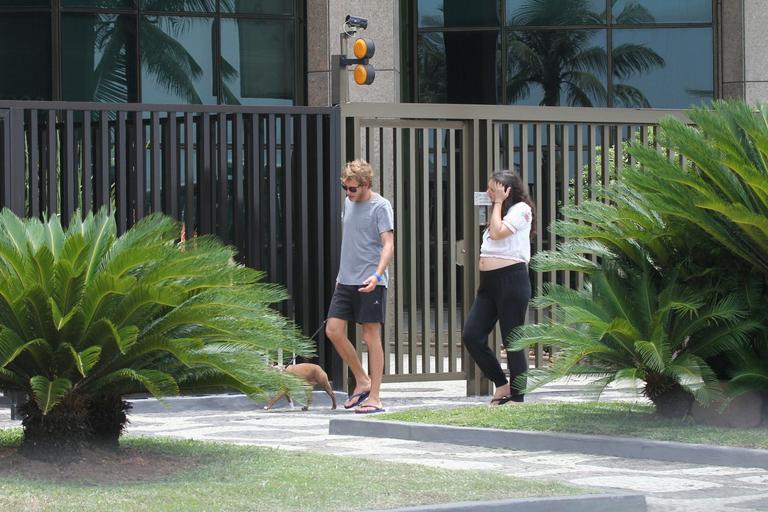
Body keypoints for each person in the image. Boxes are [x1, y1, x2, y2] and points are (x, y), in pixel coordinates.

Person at [325, 159, 394, 414]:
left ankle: (375, 396)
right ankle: (361, 379)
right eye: (345, 187)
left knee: (370, 336)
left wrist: (377, 275)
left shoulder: (380, 206)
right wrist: (340, 277)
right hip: (345, 280)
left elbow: (388, 244)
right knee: (333, 330)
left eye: (352, 188)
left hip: (370, 280)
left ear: (366, 185)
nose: (348, 193)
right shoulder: (348, 203)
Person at [463, 170, 535, 405]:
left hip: (512, 280)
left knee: (512, 339)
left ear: (507, 191)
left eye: (493, 189)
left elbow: (497, 232)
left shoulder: (521, 210)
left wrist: (497, 204)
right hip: (489, 284)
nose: (488, 193)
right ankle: (501, 384)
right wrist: (497, 205)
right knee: (472, 335)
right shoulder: (500, 211)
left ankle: (517, 396)